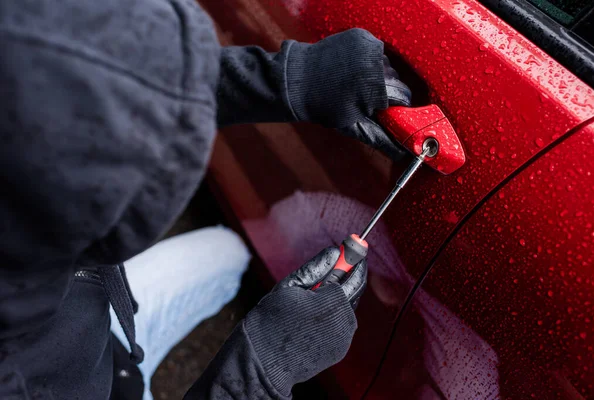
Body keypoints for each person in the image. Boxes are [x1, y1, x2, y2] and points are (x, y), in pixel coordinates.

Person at [0, 0, 412, 399]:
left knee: (229, 255)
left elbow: (80, 82)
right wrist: (258, 373)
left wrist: (289, 80)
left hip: (100, 337)